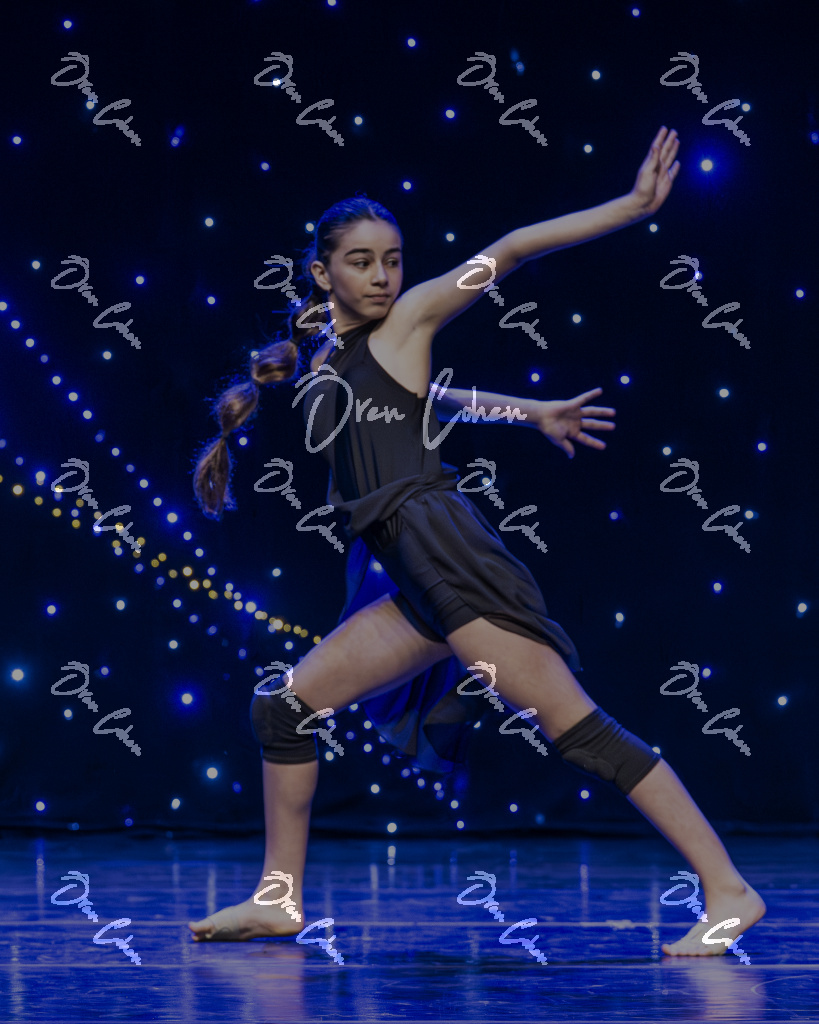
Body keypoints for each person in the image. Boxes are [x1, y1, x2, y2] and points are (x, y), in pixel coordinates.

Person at [188, 127, 765, 956]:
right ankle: (279, 899)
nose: (382, 276)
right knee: (281, 707)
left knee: (577, 731)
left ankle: (727, 888)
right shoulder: (333, 359)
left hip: (452, 560)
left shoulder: (408, 317)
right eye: (361, 262)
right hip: (414, 578)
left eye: (391, 260)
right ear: (321, 273)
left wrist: (632, 207)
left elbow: (511, 249)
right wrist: (530, 413)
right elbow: (431, 402)